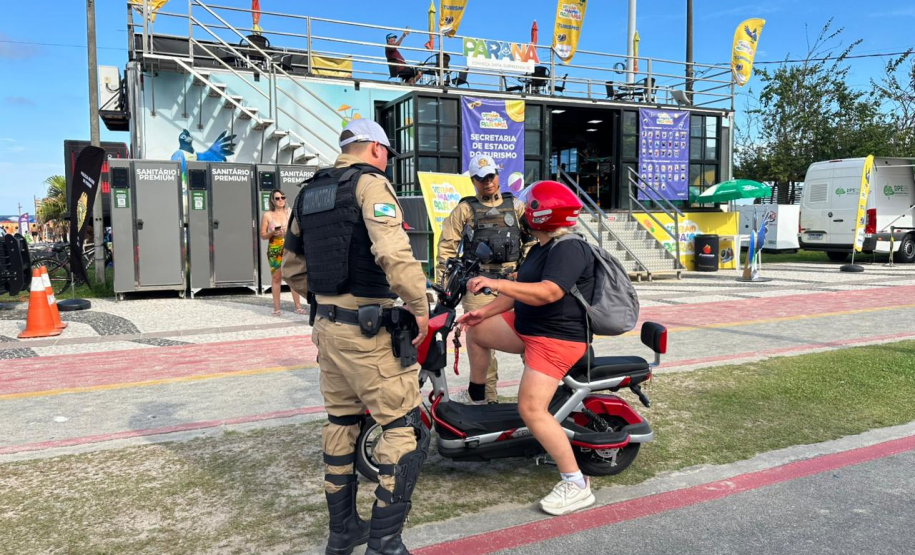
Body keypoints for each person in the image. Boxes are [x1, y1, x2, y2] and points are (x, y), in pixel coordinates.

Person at [283, 118, 430, 555]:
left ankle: (343, 531)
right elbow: (393, 252)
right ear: (376, 149)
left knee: (342, 422)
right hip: (368, 333)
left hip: (327, 330)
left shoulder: (308, 193)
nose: (386, 162)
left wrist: (330, 299)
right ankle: (385, 543)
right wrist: (419, 306)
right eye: (386, 155)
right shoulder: (371, 185)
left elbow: (291, 267)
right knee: (403, 428)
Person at [456, 181, 597, 516]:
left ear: (542, 214)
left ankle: (576, 483)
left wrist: (496, 283)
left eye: (530, 207)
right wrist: (483, 313)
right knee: (476, 332)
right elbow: (518, 290)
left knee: (531, 409)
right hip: (529, 327)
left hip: (556, 338)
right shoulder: (541, 247)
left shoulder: (569, 248)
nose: (524, 212)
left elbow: (549, 292)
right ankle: (480, 400)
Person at [436, 154, 526, 404]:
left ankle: (538, 399)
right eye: (481, 178)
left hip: (515, 284)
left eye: (491, 176)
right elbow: (446, 250)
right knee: (481, 344)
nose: (487, 182)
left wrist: (527, 271)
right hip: (479, 286)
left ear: (497, 175)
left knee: (531, 338)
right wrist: (445, 287)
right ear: (473, 181)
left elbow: (531, 240)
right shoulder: (465, 209)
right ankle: (487, 401)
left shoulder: (516, 206)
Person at [259, 190, 304, 316]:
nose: (280, 200)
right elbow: (263, 235)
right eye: (277, 198)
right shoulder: (268, 215)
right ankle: (277, 308)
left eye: (282, 197)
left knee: (292, 277)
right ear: (272, 200)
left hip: (290, 247)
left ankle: (298, 306)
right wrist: (273, 233)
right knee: (276, 278)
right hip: (275, 249)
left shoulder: (290, 213)